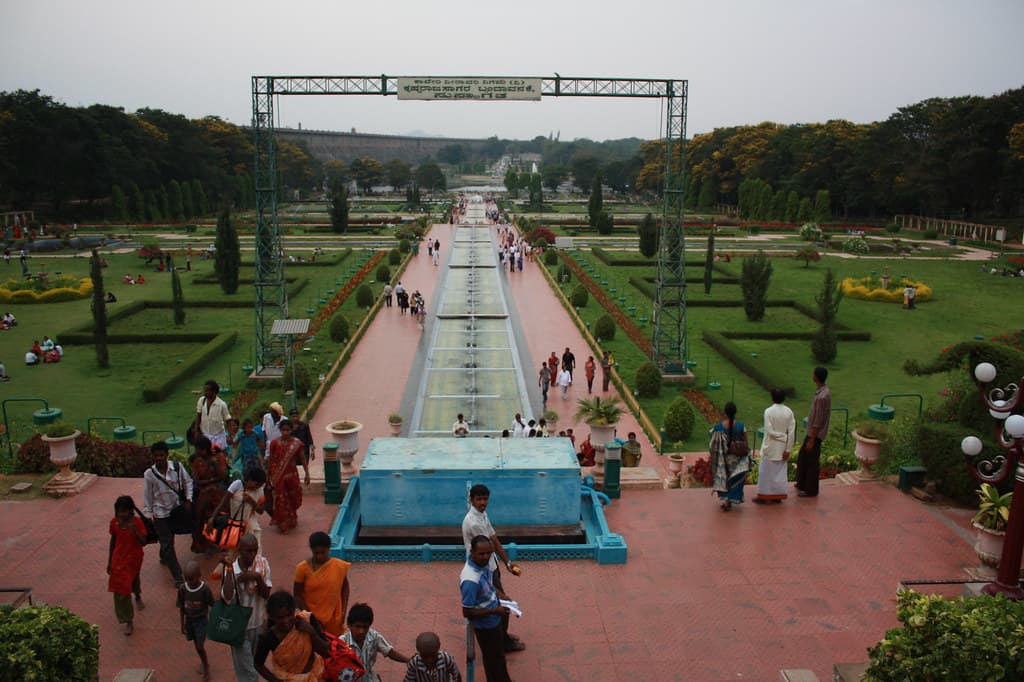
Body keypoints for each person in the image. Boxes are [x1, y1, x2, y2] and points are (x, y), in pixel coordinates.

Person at [461, 484, 525, 655]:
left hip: (491, 565)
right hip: (484, 569)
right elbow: (489, 544)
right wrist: (506, 564)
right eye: (479, 499)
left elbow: (494, 538)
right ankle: (503, 642)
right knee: (502, 605)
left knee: (501, 603)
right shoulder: (473, 522)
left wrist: (507, 563)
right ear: (472, 500)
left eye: (485, 499)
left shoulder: (482, 514)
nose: (483, 502)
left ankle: (503, 637)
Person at [461, 536, 513, 682]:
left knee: (499, 656)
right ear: (472, 552)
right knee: (492, 661)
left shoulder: (483, 566)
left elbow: (489, 586)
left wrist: (501, 595)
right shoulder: (470, 580)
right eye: (481, 553)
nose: (485, 557)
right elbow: (467, 611)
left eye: (489, 553)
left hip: (494, 620)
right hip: (485, 627)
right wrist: (494, 611)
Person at [221, 534, 272, 682]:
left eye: (255, 550)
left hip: (258, 625)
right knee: (248, 672)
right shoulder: (232, 568)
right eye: (248, 551)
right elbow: (227, 597)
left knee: (253, 664)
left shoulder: (262, 565)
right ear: (239, 550)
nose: (252, 554)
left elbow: (266, 594)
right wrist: (236, 577)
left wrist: (257, 578)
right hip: (239, 628)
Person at [143, 441, 192, 587]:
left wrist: (188, 499)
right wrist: (149, 514)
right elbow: (148, 495)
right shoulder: (149, 474)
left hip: (176, 510)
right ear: (152, 456)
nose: (159, 458)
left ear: (166, 455)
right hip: (160, 514)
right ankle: (178, 578)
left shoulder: (177, 467)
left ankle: (163, 554)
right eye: (156, 455)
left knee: (169, 540)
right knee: (168, 545)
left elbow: (188, 482)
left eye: (161, 455)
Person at [255, 590, 330, 681]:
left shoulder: (307, 620)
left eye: (289, 615)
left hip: (318, 675)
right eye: (280, 618)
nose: (285, 621)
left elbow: (326, 652)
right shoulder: (268, 637)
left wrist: (311, 632)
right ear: (272, 617)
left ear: (294, 610)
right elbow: (258, 664)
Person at [294, 531, 351, 637]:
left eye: (323, 553)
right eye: (316, 553)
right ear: (311, 550)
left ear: (329, 549)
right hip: (311, 619)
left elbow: (345, 587)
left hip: (334, 619)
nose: (319, 556)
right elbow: (297, 595)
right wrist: (311, 618)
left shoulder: (338, 566)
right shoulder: (302, 569)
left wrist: (343, 612)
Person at [107, 495, 147, 636]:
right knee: (122, 590)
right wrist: (109, 561)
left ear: (130, 511)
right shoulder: (114, 523)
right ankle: (128, 619)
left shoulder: (137, 522)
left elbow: (143, 542)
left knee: (133, 579)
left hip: (134, 559)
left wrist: (135, 531)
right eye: (119, 511)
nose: (121, 514)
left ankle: (137, 595)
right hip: (119, 561)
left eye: (123, 511)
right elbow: (113, 541)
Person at [341, 603, 409, 681]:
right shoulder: (341, 643)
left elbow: (389, 652)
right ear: (349, 625)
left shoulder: (374, 636)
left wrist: (409, 660)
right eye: (358, 626)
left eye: (365, 627)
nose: (361, 631)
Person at [210, 467, 268, 552]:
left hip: (251, 525)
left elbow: (261, 511)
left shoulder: (259, 491)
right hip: (235, 525)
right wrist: (212, 518)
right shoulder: (237, 485)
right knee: (234, 551)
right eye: (256, 484)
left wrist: (251, 502)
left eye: (259, 486)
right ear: (249, 479)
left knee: (255, 551)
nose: (256, 488)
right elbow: (223, 503)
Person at [754, 388, 796, 505]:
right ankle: (777, 496)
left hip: (770, 445)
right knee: (779, 472)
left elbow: (769, 431)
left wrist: (781, 437)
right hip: (782, 447)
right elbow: (791, 433)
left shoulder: (768, 411)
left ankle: (764, 496)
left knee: (765, 472)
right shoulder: (789, 412)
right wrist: (788, 448)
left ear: (772, 398)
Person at [267, 419, 309, 533]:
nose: (285, 432)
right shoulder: (274, 443)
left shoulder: (297, 443)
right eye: (283, 430)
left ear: (291, 430)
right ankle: (283, 523)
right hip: (278, 476)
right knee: (281, 499)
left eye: (288, 430)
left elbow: (302, 458)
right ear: (280, 430)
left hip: (291, 475)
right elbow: (271, 459)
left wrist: (307, 473)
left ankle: (291, 517)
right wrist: (268, 475)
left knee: (294, 496)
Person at [796, 367, 832, 498]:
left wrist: (812, 439)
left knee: (811, 462)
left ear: (816, 377)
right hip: (812, 433)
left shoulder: (822, 397)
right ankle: (802, 483)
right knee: (803, 457)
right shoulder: (822, 392)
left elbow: (818, 420)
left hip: (815, 434)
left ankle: (810, 490)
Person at [189, 436, 228, 553]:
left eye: (198, 449)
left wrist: (214, 464)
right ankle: (206, 543)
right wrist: (212, 481)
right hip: (204, 495)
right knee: (202, 518)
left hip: (218, 494)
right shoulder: (197, 461)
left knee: (220, 518)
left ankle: (221, 541)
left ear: (204, 450)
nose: (196, 452)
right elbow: (197, 480)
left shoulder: (218, 458)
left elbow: (223, 475)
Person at [178, 560, 214, 681]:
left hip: (201, 621)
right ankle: (203, 661)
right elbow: (181, 607)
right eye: (187, 579)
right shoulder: (183, 589)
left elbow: (212, 604)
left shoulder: (205, 589)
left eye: (192, 579)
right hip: (190, 621)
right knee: (196, 644)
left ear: (199, 576)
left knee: (199, 646)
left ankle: (206, 666)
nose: (189, 582)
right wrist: (182, 624)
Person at [709, 402, 750, 512]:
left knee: (725, 479)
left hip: (724, 459)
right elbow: (746, 444)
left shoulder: (718, 427)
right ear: (735, 412)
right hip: (737, 460)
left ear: (725, 412)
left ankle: (726, 500)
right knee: (736, 479)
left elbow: (712, 442)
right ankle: (730, 499)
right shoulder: (741, 426)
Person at [195, 379, 231, 450]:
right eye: (205, 390)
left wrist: (229, 435)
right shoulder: (201, 401)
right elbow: (198, 416)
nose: (205, 392)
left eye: (207, 390)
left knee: (219, 455)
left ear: (214, 391)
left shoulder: (222, 405)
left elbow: (228, 421)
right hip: (205, 436)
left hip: (218, 437)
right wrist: (196, 431)